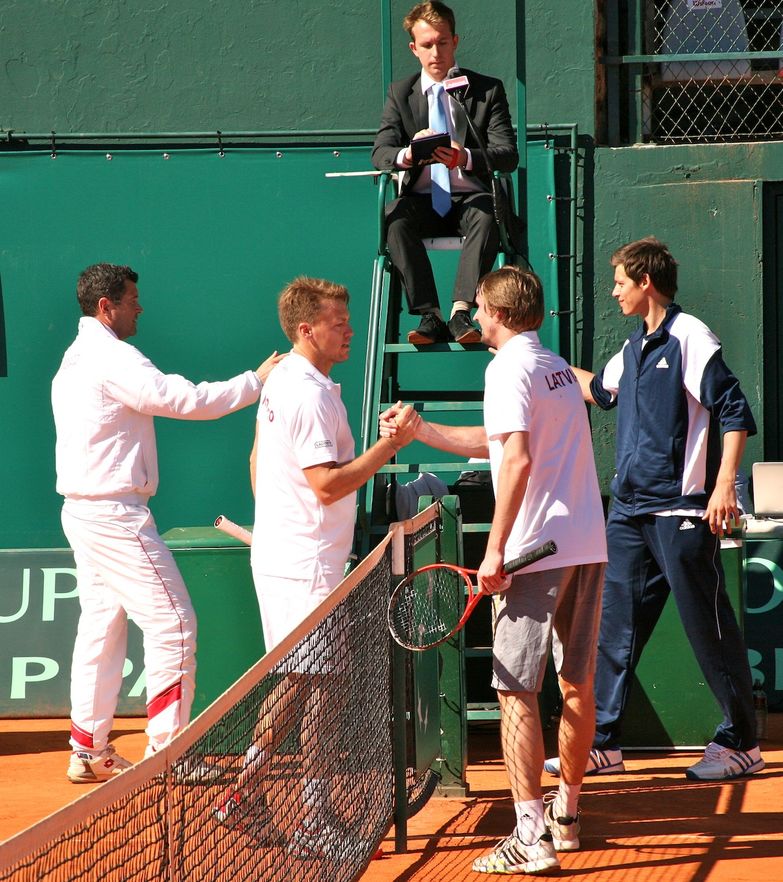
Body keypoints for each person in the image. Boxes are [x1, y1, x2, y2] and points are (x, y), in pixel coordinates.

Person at [382, 266, 608, 874]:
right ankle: (566, 816)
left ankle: (529, 836)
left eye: (478, 307)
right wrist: (424, 431)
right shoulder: (554, 366)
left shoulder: (504, 368)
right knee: (577, 686)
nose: (474, 317)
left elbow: (517, 464)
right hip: (586, 543)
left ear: (498, 312)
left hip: (534, 552)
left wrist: (495, 549)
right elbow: (498, 443)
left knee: (514, 691)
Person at [51, 262, 283, 783]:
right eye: (132, 300)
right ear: (106, 306)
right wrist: (254, 381)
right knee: (174, 625)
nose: (140, 307)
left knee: (101, 625)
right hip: (113, 514)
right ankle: (169, 752)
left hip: (85, 510)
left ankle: (88, 748)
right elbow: (184, 400)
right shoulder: (112, 357)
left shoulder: (76, 355)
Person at [544, 237, 764, 782]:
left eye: (620, 280)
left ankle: (741, 742)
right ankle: (603, 743)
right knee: (612, 630)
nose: (614, 290)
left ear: (646, 282)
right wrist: (533, 357)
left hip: (683, 514)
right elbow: (602, 391)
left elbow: (734, 411)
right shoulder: (634, 345)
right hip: (629, 513)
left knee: (708, 629)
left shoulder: (690, 338)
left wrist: (723, 488)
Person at [213, 276, 419, 857]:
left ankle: (243, 794)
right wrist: (390, 446)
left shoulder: (285, 379)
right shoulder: (307, 392)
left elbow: (258, 458)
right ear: (308, 330)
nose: (349, 330)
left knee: (298, 683)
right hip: (305, 567)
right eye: (338, 322)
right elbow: (328, 486)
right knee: (323, 690)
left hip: (293, 555)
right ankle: (312, 811)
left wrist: (280, 523)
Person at [372, 1, 518, 345]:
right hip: (423, 199)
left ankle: (460, 311)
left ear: (455, 41)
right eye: (426, 45)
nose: (435, 52)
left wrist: (463, 156)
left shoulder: (485, 90)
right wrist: (410, 153)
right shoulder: (400, 93)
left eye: (442, 42)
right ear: (414, 48)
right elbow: (380, 153)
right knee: (394, 216)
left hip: (470, 197)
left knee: (488, 212)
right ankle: (429, 314)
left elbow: (507, 154)